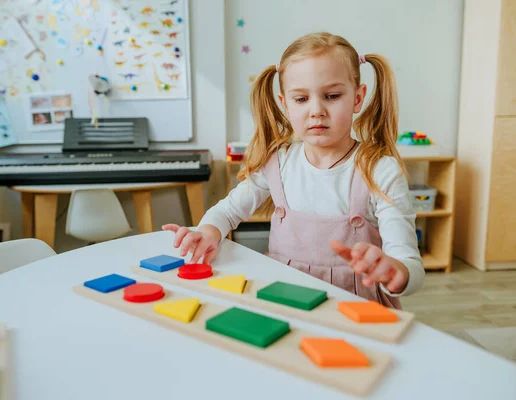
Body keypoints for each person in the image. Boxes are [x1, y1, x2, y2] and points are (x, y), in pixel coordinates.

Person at [163, 32, 424, 309]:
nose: (316, 110)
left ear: (358, 98)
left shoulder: (380, 170)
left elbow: (409, 263)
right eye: (301, 99)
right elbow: (228, 210)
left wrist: (395, 272)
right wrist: (208, 231)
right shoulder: (278, 162)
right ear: (285, 104)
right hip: (285, 298)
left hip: (356, 308)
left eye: (332, 96)